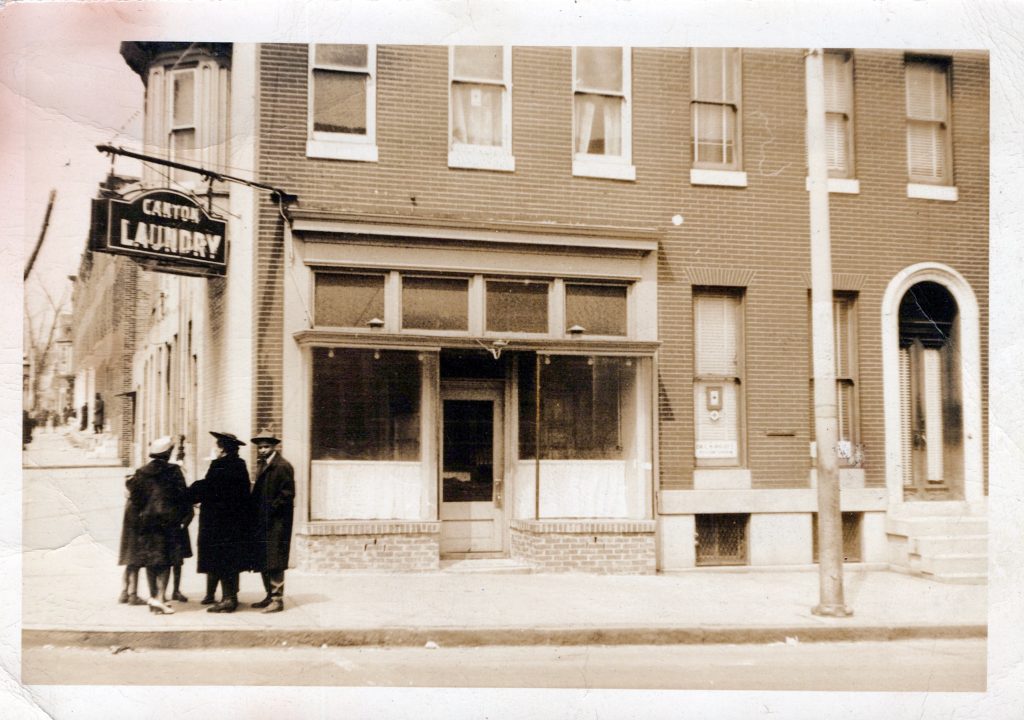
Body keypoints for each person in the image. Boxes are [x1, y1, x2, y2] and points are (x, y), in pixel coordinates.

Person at [188, 431, 250, 613]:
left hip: (219, 523)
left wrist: (188, 493)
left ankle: (228, 600)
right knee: (231, 558)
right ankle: (231, 596)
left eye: (217, 446)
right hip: (235, 521)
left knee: (222, 558)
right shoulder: (240, 465)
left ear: (222, 449)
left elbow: (208, 487)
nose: (214, 449)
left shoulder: (220, 466)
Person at [128, 436, 191, 615]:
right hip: (168, 523)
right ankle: (161, 598)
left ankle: (153, 596)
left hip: (147, 524)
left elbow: (135, 499)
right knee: (166, 561)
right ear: (168, 453)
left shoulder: (141, 473)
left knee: (150, 561)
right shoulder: (174, 471)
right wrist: (182, 518)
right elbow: (182, 497)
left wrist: (142, 516)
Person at [248, 429, 295, 613]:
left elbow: (287, 495)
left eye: (266, 447)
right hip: (263, 521)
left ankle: (277, 599)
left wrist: (270, 509)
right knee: (263, 558)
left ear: (274, 447)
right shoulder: (263, 465)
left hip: (277, 523)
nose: (262, 450)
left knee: (275, 560)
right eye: (260, 447)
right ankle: (269, 595)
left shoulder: (282, 466)